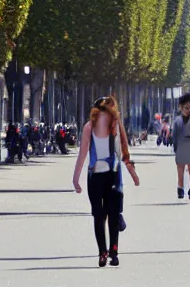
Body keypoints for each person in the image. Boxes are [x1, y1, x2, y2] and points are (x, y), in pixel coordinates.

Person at [72, 96, 140, 268]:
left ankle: (107, 252)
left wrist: (76, 178)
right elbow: (124, 153)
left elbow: (123, 152)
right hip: (107, 176)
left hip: (103, 176)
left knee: (105, 216)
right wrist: (75, 177)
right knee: (105, 216)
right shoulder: (99, 127)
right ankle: (109, 252)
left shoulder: (106, 126)